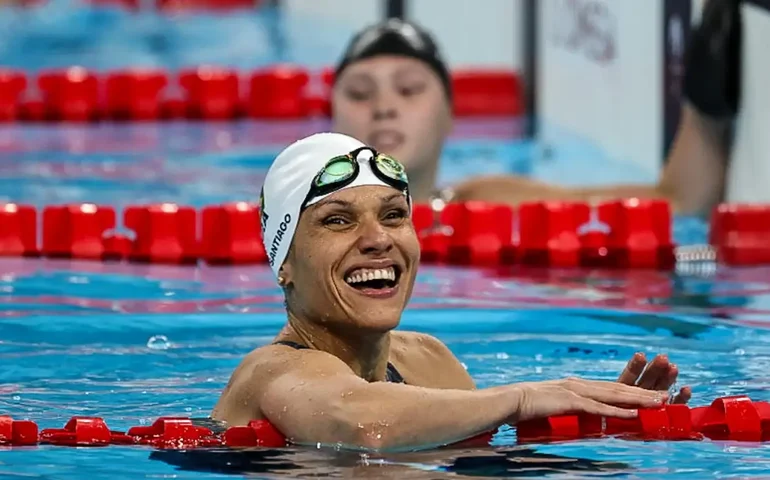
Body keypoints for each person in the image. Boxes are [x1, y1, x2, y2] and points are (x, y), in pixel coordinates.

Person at [211, 132, 690, 450]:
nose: (379, 239)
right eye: (338, 220)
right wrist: (524, 399)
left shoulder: (427, 361)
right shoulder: (270, 372)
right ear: (284, 265)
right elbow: (358, 422)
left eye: (394, 215)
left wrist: (598, 426)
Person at [330, 1, 740, 218]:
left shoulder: (488, 203)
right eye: (360, 94)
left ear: (449, 115)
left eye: (408, 89)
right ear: (332, 118)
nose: (384, 107)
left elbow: (681, 202)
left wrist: (703, 107)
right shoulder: (298, 219)